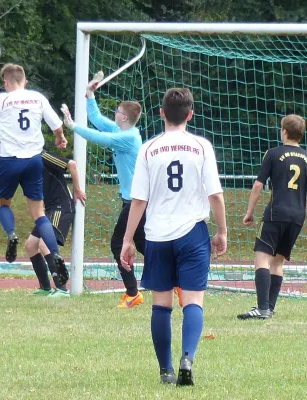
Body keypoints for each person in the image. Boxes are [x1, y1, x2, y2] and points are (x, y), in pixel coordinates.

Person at [120, 88, 228, 386]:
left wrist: (128, 239)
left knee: (162, 304)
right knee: (193, 300)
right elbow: (215, 195)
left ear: (162, 113)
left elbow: (138, 199)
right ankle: (187, 358)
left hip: (157, 234)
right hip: (192, 232)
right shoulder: (201, 146)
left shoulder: (149, 148)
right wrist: (221, 231)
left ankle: (166, 370)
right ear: (190, 114)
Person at [0, 63, 69, 285]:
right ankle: (56, 254)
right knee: (39, 214)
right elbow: (56, 125)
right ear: (25, 82)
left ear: (6, 82)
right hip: (33, 160)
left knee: (3, 204)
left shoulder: (2, 99)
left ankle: (11, 234)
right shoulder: (38, 98)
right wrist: (59, 138)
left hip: (9, 160)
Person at [60, 72, 148, 308]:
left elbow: (98, 137)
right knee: (143, 245)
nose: (115, 114)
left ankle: (133, 293)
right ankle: (175, 279)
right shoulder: (123, 131)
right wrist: (90, 94)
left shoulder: (128, 138)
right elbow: (97, 119)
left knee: (118, 244)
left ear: (125, 117)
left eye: (118, 111)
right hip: (133, 201)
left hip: (135, 202)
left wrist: (73, 126)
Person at [237, 114, 307, 320]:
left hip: (276, 212)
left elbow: (258, 185)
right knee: (278, 262)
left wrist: (249, 212)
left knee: (262, 258)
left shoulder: (273, 153)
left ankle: (262, 308)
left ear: (285, 132)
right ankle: (268, 307)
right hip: (297, 216)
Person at [25, 150, 87, 297]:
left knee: (44, 244)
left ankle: (62, 288)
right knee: (30, 245)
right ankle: (45, 288)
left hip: (62, 207)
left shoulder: (43, 156)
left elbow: (72, 165)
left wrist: (77, 189)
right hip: (48, 211)